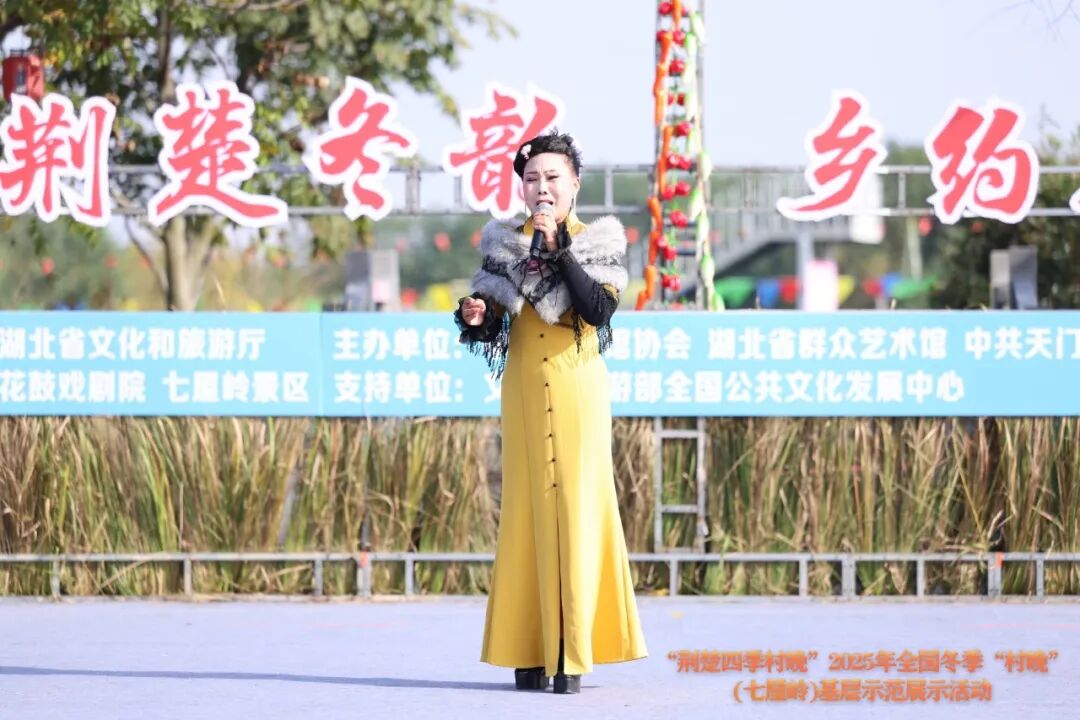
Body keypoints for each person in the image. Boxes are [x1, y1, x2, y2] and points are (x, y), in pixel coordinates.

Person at [453, 130, 648, 695]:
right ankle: (529, 649)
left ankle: (572, 653)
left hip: (576, 390)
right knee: (526, 513)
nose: (542, 187)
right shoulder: (504, 243)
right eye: (532, 178)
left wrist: (558, 247)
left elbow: (597, 309)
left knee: (576, 511)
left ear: (574, 184)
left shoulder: (598, 241)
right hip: (521, 391)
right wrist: (473, 315)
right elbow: (489, 320)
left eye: (552, 178)